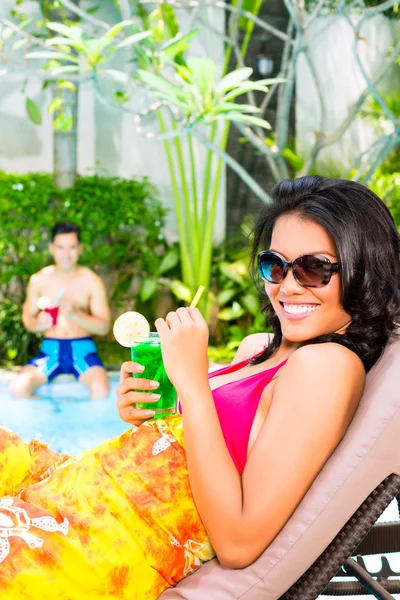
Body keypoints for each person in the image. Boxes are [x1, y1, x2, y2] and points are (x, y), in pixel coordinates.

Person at [0, 177, 398, 599]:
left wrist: (192, 385)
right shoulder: (261, 350)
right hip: (74, 492)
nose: (288, 286)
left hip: (98, 540)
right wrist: (150, 419)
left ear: (362, 270)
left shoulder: (328, 366)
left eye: (314, 268)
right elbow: (205, 445)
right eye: (275, 265)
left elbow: (238, 543)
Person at [9, 221, 111, 400]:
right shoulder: (39, 280)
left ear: (80, 248)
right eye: (61, 247)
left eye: (72, 247)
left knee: (101, 392)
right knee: (18, 390)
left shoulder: (91, 281)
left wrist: (76, 315)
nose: (66, 254)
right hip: (50, 350)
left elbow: (104, 327)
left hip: (82, 349)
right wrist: (38, 323)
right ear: (51, 248)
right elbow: (28, 320)